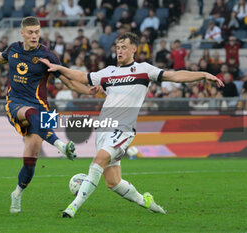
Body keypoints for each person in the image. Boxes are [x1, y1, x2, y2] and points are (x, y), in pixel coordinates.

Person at [40, 32, 224, 218]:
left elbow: (174, 76)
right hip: (103, 129)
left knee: (98, 161)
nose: (120, 51)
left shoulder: (144, 70)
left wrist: (202, 75)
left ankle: (72, 207)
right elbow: (81, 77)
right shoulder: (108, 72)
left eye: (124, 47)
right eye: (118, 47)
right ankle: (146, 202)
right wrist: (59, 68)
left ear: (134, 49)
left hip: (123, 130)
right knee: (113, 182)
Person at [0, 16, 94, 214]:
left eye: (37, 32)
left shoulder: (48, 55)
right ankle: (61, 146)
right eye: (30, 32)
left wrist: (88, 90)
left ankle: (17, 194)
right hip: (16, 103)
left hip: (42, 107)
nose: (34, 36)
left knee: (31, 160)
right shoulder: (13, 49)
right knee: (30, 114)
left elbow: (68, 81)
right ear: (22, 33)